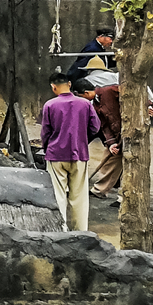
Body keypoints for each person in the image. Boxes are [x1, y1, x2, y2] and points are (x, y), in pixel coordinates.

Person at [40, 71, 101, 231]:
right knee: (79, 196)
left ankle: (60, 230)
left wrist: (47, 149)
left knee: (58, 195)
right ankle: (81, 231)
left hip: (56, 155)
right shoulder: (85, 104)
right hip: (79, 154)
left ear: (53, 88)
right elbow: (95, 127)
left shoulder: (49, 105)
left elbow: (45, 132)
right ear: (69, 85)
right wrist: (82, 139)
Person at [74, 78, 124, 203]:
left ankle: (124, 198)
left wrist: (148, 105)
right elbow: (104, 126)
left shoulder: (110, 91)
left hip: (131, 130)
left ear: (86, 93)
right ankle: (100, 190)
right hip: (117, 133)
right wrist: (111, 143)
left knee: (131, 162)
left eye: (81, 97)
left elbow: (134, 94)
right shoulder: (95, 106)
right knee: (110, 157)